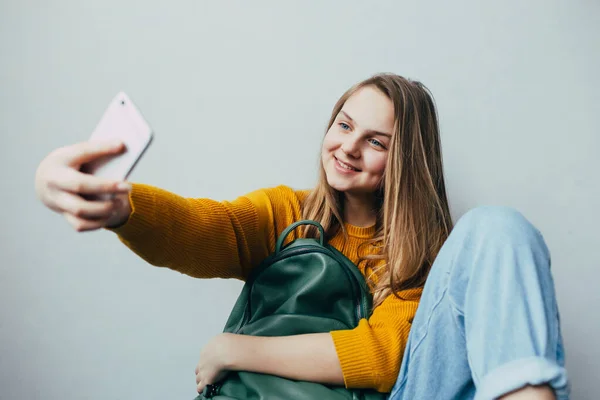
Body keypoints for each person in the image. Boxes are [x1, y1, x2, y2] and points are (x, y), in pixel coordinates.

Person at [34, 73, 568, 399]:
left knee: (498, 227)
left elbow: (382, 358)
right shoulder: (288, 214)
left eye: (375, 141)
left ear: (404, 160)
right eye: (343, 124)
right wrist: (122, 206)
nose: (348, 147)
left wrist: (235, 350)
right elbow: (202, 227)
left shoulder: (428, 255)